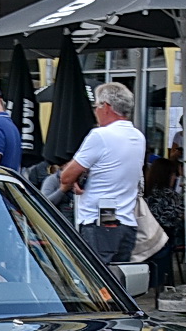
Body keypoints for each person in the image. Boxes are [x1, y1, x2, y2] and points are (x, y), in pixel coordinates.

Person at [58, 82, 145, 262]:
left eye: (96, 106)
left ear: (106, 107)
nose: (95, 111)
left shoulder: (101, 135)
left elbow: (65, 176)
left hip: (98, 222)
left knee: (98, 283)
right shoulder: (138, 136)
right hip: (127, 221)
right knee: (118, 281)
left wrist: (77, 175)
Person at [141, 157, 182, 291]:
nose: (175, 178)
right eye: (173, 175)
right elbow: (175, 220)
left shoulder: (143, 195)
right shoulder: (172, 196)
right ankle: (163, 282)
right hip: (163, 239)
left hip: (142, 238)